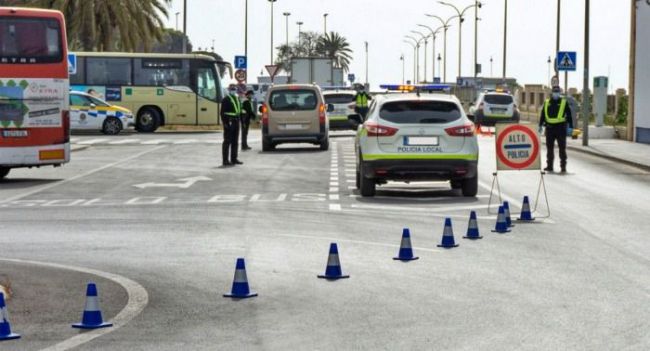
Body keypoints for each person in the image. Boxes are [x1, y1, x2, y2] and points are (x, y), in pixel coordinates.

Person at [539, 86, 573, 173]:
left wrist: (570, 127)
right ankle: (549, 166)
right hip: (549, 129)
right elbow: (543, 114)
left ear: (560, 92)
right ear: (552, 92)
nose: (556, 93)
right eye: (555, 92)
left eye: (557, 92)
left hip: (560, 128)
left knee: (562, 148)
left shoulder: (563, 102)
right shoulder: (547, 102)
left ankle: (563, 167)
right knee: (549, 148)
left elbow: (569, 115)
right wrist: (540, 125)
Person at [220, 84, 243, 166]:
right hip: (229, 121)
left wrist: (241, 121)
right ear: (229, 90)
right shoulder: (226, 99)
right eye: (232, 89)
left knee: (235, 141)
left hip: (236, 121)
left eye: (234, 89)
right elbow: (222, 113)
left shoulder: (237, 99)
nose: (233, 90)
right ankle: (225, 160)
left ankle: (234, 159)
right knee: (227, 141)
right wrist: (225, 123)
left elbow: (239, 111)